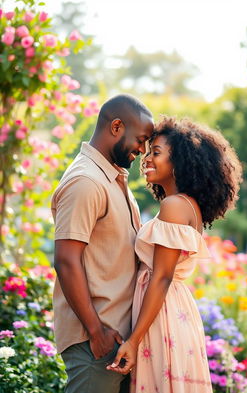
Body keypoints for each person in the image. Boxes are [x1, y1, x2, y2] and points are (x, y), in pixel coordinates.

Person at [107, 116, 242, 393]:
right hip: (171, 310)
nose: (147, 159)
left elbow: (162, 277)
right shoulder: (186, 205)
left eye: (156, 153)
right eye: (147, 152)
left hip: (162, 315)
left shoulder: (175, 206)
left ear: (180, 160)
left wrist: (133, 341)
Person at [51, 94, 154, 393]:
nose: (143, 150)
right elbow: (66, 260)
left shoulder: (113, 179)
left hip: (118, 342)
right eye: (142, 139)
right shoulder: (86, 182)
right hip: (96, 342)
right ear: (117, 126)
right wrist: (96, 332)